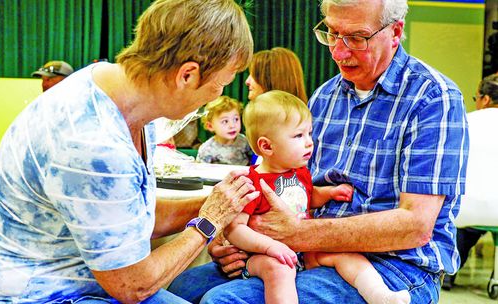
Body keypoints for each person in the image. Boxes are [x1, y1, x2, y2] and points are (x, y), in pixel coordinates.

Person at [168, 0, 469, 303]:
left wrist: (295, 234)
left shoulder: (433, 99)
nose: (338, 51)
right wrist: (240, 240)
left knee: (225, 301)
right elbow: (296, 190)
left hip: (395, 268)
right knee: (178, 289)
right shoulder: (325, 97)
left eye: (356, 38)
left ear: (395, 32)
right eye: (332, 33)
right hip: (308, 252)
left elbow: (415, 227)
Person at [0, 0, 255, 302]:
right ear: (187, 75)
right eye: (221, 84)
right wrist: (208, 222)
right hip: (23, 294)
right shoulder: (92, 140)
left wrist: (220, 203)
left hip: (74, 279)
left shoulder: (125, 95)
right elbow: (132, 285)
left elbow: (126, 216)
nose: (216, 95)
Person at [223, 90, 409, 304]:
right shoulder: (252, 182)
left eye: (309, 134)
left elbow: (304, 199)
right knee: (280, 271)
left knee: (347, 257)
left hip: (303, 248)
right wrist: (269, 247)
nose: (309, 142)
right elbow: (236, 229)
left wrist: (328, 193)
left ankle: (380, 296)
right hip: (262, 257)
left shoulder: (299, 171)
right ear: (266, 146)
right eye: (298, 136)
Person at [442, 73, 498, 289]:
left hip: (466, 210)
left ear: (484, 99)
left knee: (461, 225)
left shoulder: (465, 122)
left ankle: (448, 272)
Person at [196, 96, 252, 165]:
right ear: (210, 126)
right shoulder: (206, 149)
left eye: (236, 119)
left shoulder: (245, 142)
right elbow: (200, 171)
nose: (232, 125)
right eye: (225, 121)